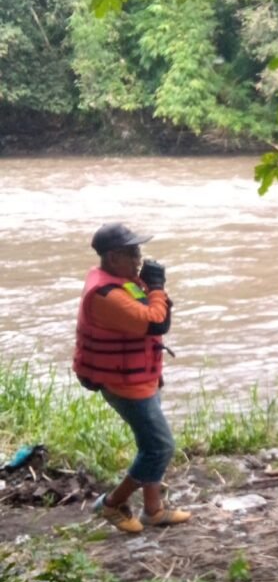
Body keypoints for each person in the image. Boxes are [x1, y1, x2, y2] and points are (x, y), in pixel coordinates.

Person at [74, 222, 191, 534]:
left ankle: (154, 510)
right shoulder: (107, 294)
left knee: (150, 443)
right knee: (159, 447)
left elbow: (154, 315)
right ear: (113, 257)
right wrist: (157, 288)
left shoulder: (122, 281)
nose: (139, 258)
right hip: (125, 385)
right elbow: (156, 323)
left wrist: (151, 287)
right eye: (133, 253)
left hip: (142, 377)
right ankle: (112, 503)